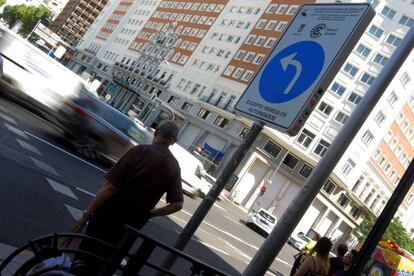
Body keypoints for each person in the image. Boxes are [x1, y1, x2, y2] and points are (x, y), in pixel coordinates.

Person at [72, 120, 183, 275]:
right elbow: (177, 204)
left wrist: (87, 213)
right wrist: (152, 213)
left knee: (87, 255)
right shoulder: (174, 166)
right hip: (134, 222)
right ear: (174, 141)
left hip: (110, 212)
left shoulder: (139, 151)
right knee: (108, 261)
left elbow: (111, 187)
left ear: (156, 132)